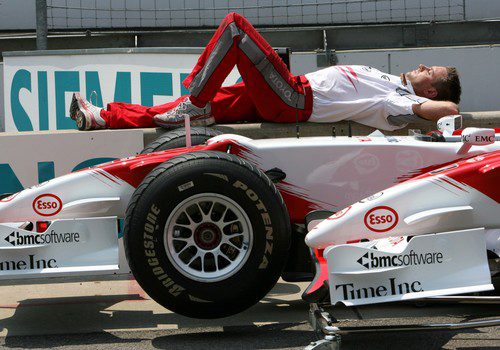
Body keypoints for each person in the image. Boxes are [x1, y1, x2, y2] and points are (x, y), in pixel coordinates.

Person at [70, 12, 461, 132]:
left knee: (236, 28)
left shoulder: (402, 101)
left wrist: (453, 114)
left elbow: (440, 113)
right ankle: (102, 118)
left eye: (432, 72)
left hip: (292, 98)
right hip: (287, 95)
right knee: (187, 114)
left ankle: (196, 100)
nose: (424, 66)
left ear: (432, 92)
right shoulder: (396, 84)